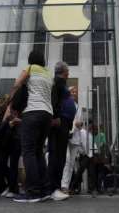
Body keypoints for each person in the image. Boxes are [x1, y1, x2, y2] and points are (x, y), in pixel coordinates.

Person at [10, 50, 56, 203]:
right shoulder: (48, 73)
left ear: (30, 59)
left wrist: (10, 101)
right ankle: (44, 189)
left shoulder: (29, 69)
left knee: (28, 151)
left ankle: (32, 191)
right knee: (38, 151)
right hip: (47, 114)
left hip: (32, 112)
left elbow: (17, 84)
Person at [47, 62, 75, 201]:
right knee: (57, 156)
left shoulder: (61, 83)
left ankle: (55, 187)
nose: (69, 73)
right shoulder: (58, 82)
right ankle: (53, 188)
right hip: (59, 123)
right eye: (67, 70)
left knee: (60, 156)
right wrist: (56, 116)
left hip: (63, 124)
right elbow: (54, 100)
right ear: (63, 71)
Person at [61, 86, 84, 194]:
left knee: (71, 163)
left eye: (76, 92)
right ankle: (61, 184)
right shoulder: (63, 104)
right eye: (72, 91)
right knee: (66, 159)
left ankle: (65, 186)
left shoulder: (78, 107)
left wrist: (80, 124)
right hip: (65, 135)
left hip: (75, 137)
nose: (74, 93)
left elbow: (80, 122)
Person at [71, 122, 98, 196]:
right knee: (80, 172)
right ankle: (73, 187)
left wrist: (95, 154)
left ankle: (92, 189)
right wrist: (82, 152)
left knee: (91, 173)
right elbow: (79, 143)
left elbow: (93, 146)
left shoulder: (90, 135)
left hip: (90, 156)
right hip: (85, 156)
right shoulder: (83, 132)